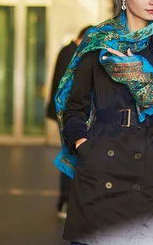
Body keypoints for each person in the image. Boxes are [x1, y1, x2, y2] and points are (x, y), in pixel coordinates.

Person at [53, 0, 153, 245]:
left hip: (150, 174)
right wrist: (83, 145)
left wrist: (142, 81)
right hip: (100, 168)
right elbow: (73, 106)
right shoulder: (97, 41)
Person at [47, 25, 92, 218]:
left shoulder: (67, 51)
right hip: (67, 114)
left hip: (66, 113)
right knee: (70, 156)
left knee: (71, 155)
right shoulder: (71, 54)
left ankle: (66, 201)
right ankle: (64, 202)